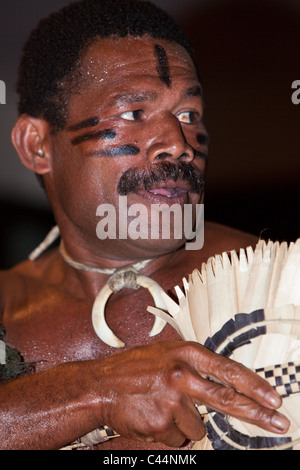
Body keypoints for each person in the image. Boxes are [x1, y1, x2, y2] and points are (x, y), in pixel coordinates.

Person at [0, 0, 290, 450]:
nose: (178, 146)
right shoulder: (7, 307)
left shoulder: (279, 287)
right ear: (37, 145)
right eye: (134, 114)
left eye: (189, 115)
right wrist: (97, 391)